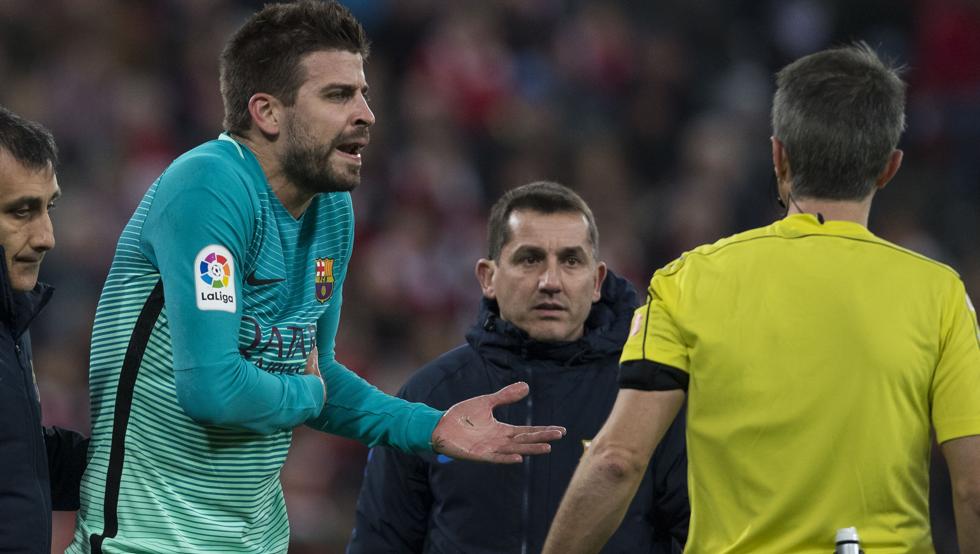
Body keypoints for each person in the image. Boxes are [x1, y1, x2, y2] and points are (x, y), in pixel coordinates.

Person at [68, 3, 564, 553]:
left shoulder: (331, 210)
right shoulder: (208, 186)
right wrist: (306, 392)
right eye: (338, 95)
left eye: (364, 93)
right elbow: (214, 390)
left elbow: (316, 374)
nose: (367, 114)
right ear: (267, 113)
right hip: (143, 542)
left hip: (258, 541)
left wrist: (429, 426)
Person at [543, 43, 980, 554]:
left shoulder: (688, 281)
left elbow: (617, 460)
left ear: (778, 157)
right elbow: (973, 487)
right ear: (889, 167)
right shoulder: (939, 294)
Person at [348, 182, 689, 554]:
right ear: (488, 278)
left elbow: (696, 534)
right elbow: (379, 542)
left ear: (596, 282)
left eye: (571, 261)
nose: (550, 282)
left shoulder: (645, 397)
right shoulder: (429, 397)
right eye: (530, 259)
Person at [0, 105, 89, 553]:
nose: (46, 237)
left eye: (48, 207)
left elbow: (16, 457)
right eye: (22, 211)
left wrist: (132, 458)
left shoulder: (12, 319)